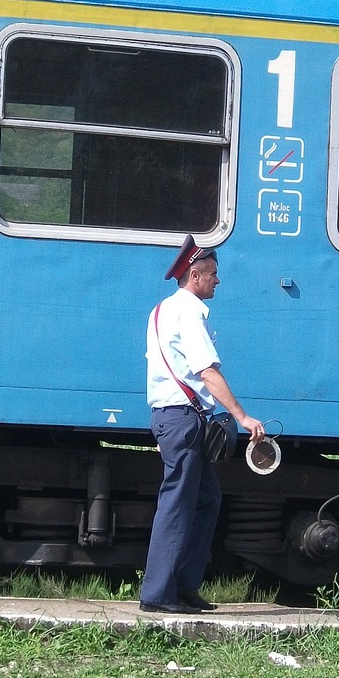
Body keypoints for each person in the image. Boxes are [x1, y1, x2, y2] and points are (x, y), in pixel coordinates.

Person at [140, 235, 265, 614]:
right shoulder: (189, 313)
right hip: (182, 419)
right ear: (194, 275)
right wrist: (242, 417)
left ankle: (184, 586)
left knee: (207, 499)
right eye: (212, 274)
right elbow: (206, 372)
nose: (217, 281)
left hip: (175, 417)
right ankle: (158, 594)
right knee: (177, 505)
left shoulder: (162, 310)